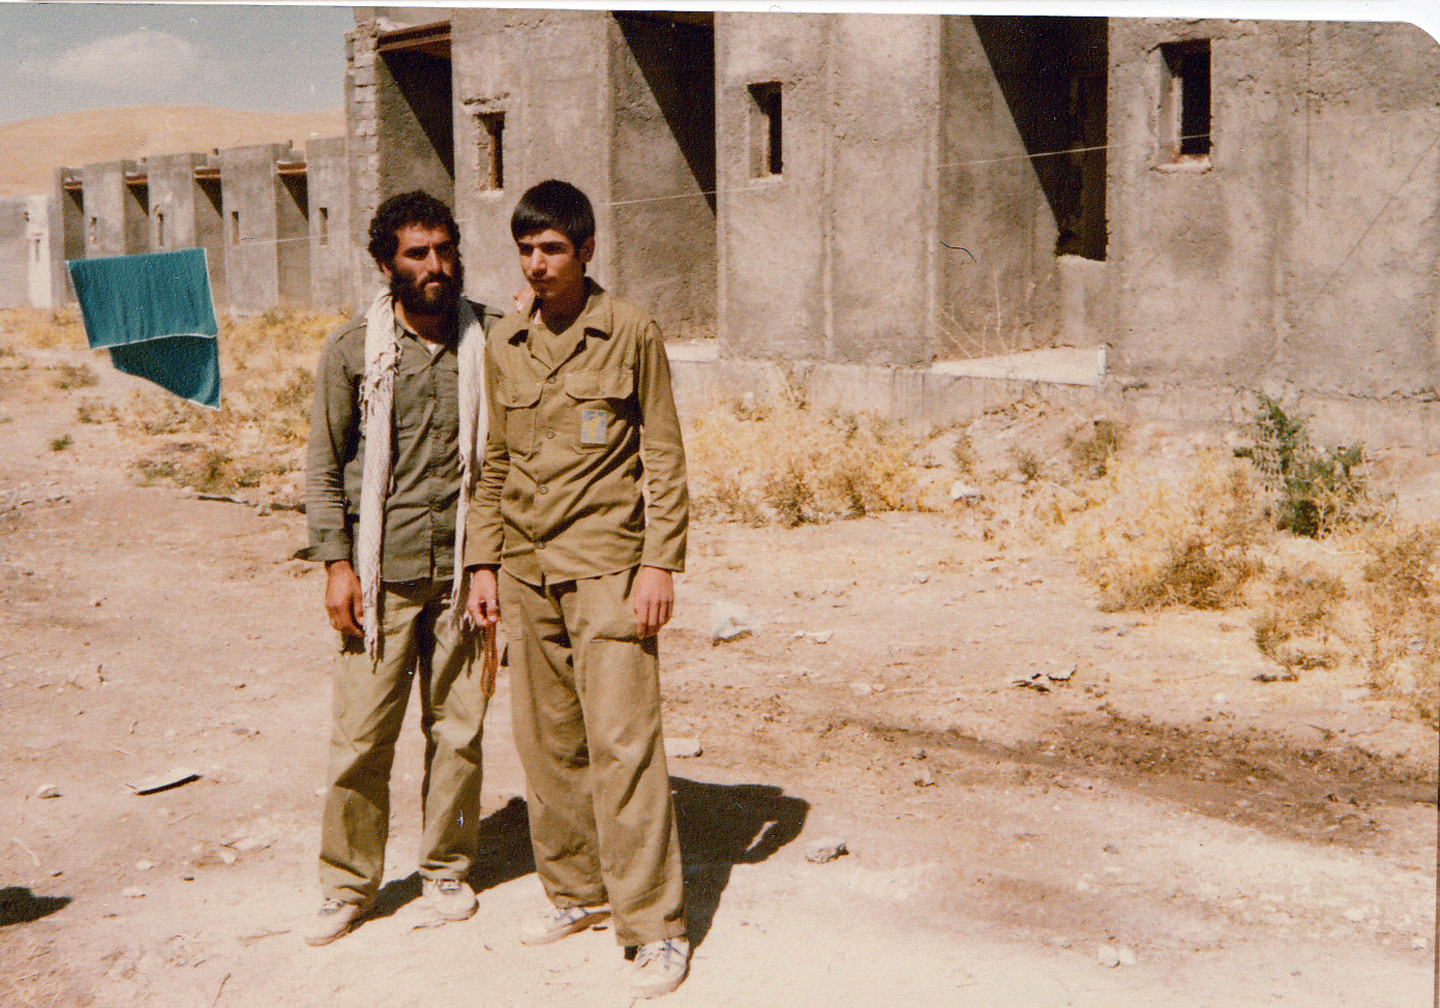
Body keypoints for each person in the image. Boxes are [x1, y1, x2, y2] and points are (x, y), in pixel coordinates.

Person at [464, 180, 691, 998]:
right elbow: (493, 463)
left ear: (587, 250)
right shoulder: (507, 340)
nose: (537, 264)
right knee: (547, 744)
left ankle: (655, 926)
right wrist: (483, 563)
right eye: (526, 249)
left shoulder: (629, 330)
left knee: (624, 743)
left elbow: (663, 454)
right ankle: (575, 891)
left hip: (607, 569)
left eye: (553, 249)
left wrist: (660, 563)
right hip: (527, 569)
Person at [302, 190, 503, 946]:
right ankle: (348, 884)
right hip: (378, 578)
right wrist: (336, 566)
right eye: (417, 253)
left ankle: (446, 866)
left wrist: (490, 564)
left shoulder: (492, 339)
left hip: (463, 576)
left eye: (445, 250)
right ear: (385, 262)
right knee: (361, 739)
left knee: (459, 732)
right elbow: (325, 468)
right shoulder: (353, 350)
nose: (435, 266)